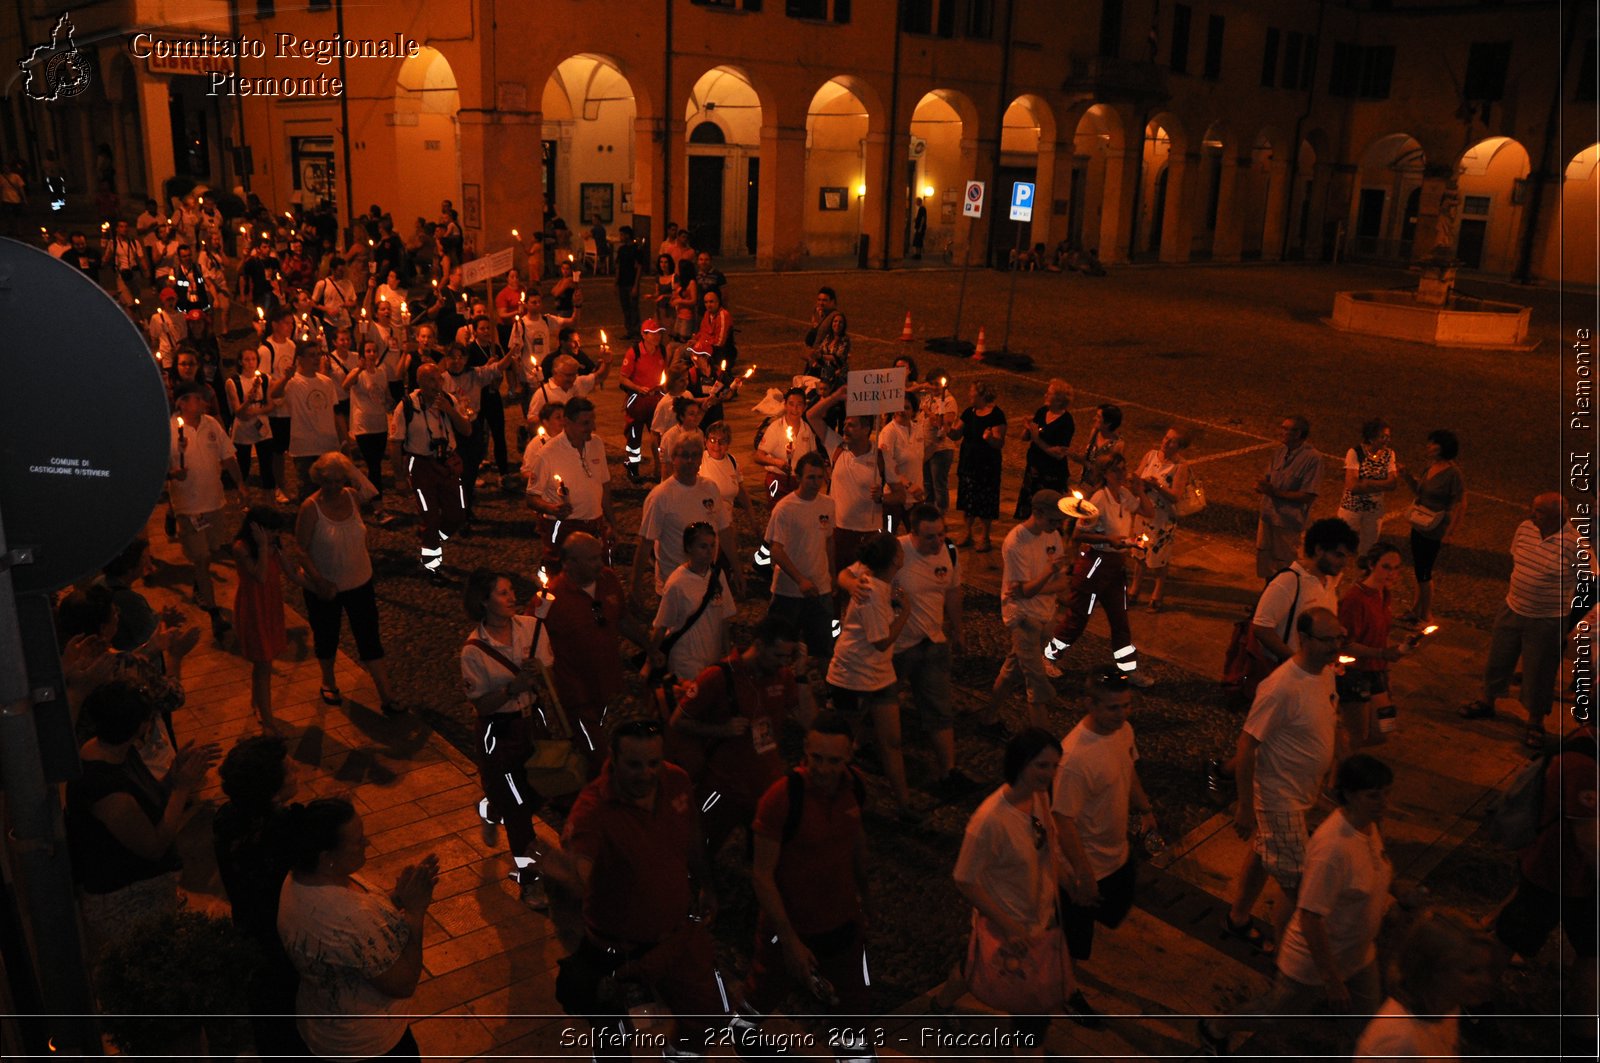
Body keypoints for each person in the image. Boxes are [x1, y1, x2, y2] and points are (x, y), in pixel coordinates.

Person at [541, 719, 727, 1061]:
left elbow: (693, 839)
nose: (646, 774)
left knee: (705, 1018)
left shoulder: (677, 781)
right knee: (613, 1038)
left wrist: (708, 887)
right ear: (613, 757)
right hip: (621, 951)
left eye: (653, 763)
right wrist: (571, 874)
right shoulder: (592, 810)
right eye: (634, 764)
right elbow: (582, 860)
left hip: (677, 936)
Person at [1201, 754, 1398, 1054]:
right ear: (1349, 795)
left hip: (1358, 956)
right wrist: (1331, 980)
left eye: (1387, 793)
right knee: (1276, 1015)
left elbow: (1372, 869)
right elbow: (1309, 917)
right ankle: (1216, 1028)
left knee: (1368, 1029)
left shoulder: (1368, 826)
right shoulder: (1333, 849)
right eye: (1374, 796)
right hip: (1313, 965)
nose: (1384, 802)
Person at [733, 712, 873, 1052]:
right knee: (761, 994)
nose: (824, 769)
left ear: (849, 757)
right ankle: (742, 1035)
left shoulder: (855, 786)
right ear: (805, 752)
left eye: (834, 761)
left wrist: (867, 898)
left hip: (841, 921)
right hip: (789, 926)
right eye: (817, 759)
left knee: (856, 1002)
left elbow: (856, 840)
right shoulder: (781, 799)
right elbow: (762, 875)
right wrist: (791, 941)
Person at [1221, 606, 1344, 954]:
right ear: (1304, 639)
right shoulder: (1280, 687)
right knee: (1302, 890)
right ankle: (1286, 957)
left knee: (1263, 854)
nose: (1335, 646)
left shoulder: (1325, 673)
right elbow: (1247, 744)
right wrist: (1246, 806)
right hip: (1280, 800)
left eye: (1339, 637)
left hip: (1302, 794)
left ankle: (1238, 918)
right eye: (1327, 639)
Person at [278, 798, 439, 1061]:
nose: (367, 843)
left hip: (322, 1024)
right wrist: (416, 911)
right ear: (327, 857)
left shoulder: (301, 877)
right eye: (358, 840)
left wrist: (397, 899)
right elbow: (403, 982)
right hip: (366, 1044)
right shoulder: (345, 917)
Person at [66, 681, 218, 956]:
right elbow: (154, 845)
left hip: (140, 886)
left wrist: (173, 774)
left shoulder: (112, 750)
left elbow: (146, 798)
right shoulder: (108, 793)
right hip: (124, 900)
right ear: (139, 727)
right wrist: (182, 788)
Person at [942, 728, 1065, 1056]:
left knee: (972, 968)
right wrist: (1009, 927)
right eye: (1041, 766)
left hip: (1037, 920)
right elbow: (964, 878)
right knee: (1032, 1016)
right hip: (1011, 928)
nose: (1049, 774)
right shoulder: (989, 821)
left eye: (1055, 766)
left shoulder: (1039, 797)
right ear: (1020, 764)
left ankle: (940, 1005)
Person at [1051, 668, 1158, 1024]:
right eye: (1113, 708)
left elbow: (1128, 770)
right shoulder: (1074, 759)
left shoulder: (1122, 730)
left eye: (1127, 706)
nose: (1122, 714)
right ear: (1088, 704)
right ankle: (1067, 992)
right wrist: (1081, 874)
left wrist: (1145, 809)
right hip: (1088, 865)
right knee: (1074, 941)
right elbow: (1062, 821)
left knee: (1110, 913)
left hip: (1117, 856)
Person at [1489, 724, 1597, 1044]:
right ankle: (1475, 1001)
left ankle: (1584, 1030)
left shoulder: (1585, 742)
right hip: (1557, 874)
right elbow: (1588, 839)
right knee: (1510, 936)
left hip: (1571, 874)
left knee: (1592, 951)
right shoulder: (1583, 765)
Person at [1461, 492, 1596, 748]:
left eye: (1538, 512)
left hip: (1547, 619)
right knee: (1498, 659)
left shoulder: (1575, 545)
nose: (1531, 515)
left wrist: (1572, 620)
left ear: (1558, 516)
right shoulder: (1525, 529)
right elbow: (1517, 560)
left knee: (1539, 671)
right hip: (1513, 607)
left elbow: (1590, 581)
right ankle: (1487, 701)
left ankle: (1535, 722)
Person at [670, 616, 813, 851]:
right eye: (778, 655)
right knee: (701, 845)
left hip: (766, 784)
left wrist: (801, 674)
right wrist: (721, 730)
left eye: (788, 656)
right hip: (721, 785)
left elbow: (809, 721)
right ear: (759, 644)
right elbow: (678, 721)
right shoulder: (718, 676)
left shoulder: (784, 675)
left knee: (766, 849)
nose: (783, 663)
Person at [460, 569, 555, 907]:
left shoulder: (531, 629)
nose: (512, 596)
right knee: (519, 811)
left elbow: (547, 673)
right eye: (502, 593)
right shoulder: (473, 651)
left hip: (533, 725)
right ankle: (530, 880)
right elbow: (482, 704)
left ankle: (490, 806)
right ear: (484, 602)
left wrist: (538, 674)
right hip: (500, 734)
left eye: (512, 590)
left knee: (535, 795)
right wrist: (510, 689)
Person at [212, 735, 306, 1058]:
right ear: (271, 789)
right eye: (288, 769)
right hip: (284, 944)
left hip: (252, 937)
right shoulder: (286, 832)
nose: (296, 768)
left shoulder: (228, 819)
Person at [296, 453, 399, 715]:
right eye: (328, 481)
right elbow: (301, 550)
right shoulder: (311, 508)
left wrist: (352, 470)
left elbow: (371, 491)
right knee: (326, 635)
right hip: (327, 587)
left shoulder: (353, 496)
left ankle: (386, 695)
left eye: (339, 480)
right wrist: (319, 581)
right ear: (319, 479)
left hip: (360, 582)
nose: (333, 486)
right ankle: (328, 680)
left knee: (369, 638)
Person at [827, 531, 920, 820]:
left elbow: (846, 574)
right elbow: (881, 640)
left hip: (880, 675)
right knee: (838, 745)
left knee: (892, 741)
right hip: (852, 676)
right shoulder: (872, 593)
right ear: (894, 559)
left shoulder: (871, 579)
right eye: (900, 551)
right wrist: (905, 612)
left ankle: (904, 804)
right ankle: (829, 800)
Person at [1044, 453, 1156, 687]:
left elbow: (1149, 512)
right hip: (1095, 565)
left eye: (1124, 469)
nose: (1122, 474)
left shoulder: (1124, 494)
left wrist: (1140, 490)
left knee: (1120, 620)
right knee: (1077, 618)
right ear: (1105, 474)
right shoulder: (1099, 500)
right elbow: (1077, 534)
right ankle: (1048, 656)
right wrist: (1108, 538)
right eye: (1116, 470)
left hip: (1115, 567)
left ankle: (1129, 669)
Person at [883, 504, 970, 798]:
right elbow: (854, 576)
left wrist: (958, 631)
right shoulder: (894, 551)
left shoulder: (951, 551)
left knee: (939, 708)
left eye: (941, 534)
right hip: (896, 648)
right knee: (879, 703)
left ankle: (949, 770)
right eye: (930, 537)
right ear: (912, 533)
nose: (938, 542)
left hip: (932, 643)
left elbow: (952, 591)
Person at [542, 532, 648, 756]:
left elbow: (621, 618)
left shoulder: (607, 580)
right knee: (595, 753)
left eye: (599, 557)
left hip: (610, 688)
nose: (600, 563)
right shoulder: (550, 599)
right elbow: (530, 639)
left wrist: (649, 646)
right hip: (578, 696)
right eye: (592, 559)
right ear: (569, 563)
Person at [984, 489, 1070, 734]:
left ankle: (988, 717)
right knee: (1036, 684)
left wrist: (1037, 587)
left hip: (1044, 615)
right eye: (1053, 520)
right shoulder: (1015, 542)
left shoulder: (1052, 535)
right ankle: (1043, 743)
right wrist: (1046, 577)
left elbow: (1059, 584)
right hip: (1023, 619)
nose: (1057, 526)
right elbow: (1025, 592)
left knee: (1012, 669)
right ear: (1038, 513)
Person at [233, 506, 325, 732]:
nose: (276, 535)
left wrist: (319, 589)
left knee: (263, 663)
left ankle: (258, 706)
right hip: (254, 610)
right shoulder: (241, 548)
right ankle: (268, 720)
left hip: (270, 608)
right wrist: (264, 548)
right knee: (263, 664)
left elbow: (292, 574)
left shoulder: (273, 547)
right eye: (272, 531)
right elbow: (261, 576)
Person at [1354, 911, 1488, 1062]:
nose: (1485, 980)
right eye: (1470, 971)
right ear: (1434, 970)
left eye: (1485, 969)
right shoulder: (1398, 1044)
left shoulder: (1446, 1007)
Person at [168, 382, 245, 639]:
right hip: (188, 507)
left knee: (211, 550)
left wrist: (241, 485)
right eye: (198, 400)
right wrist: (172, 474)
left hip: (214, 503)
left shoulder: (212, 425)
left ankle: (199, 584)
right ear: (181, 402)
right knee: (201, 558)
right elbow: (156, 468)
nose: (204, 403)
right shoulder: (167, 430)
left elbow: (227, 457)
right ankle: (214, 614)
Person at [390, 362, 472, 579]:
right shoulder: (406, 406)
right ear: (420, 382)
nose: (437, 385)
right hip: (421, 466)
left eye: (439, 379)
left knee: (457, 515)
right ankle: (432, 566)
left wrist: (450, 410)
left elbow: (467, 429)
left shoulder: (449, 400)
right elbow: (395, 443)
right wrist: (399, 477)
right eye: (431, 380)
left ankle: (432, 536)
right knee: (430, 517)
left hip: (448, 464)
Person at [634, 435, 738, 604]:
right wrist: (635, 586)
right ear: (674, 458)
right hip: (673, 585)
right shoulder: (661, 496)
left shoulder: (710, 488)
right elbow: (646, 542)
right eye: (684, 455)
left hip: (706, 581)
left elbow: (724, 530)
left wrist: (736, 568)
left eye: (695, 455)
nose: (690, 460)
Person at [525, 397, 616, 571]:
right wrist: (552, 509)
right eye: (585, 423)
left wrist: (611, 523)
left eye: (593, 421)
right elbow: (531, 497)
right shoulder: (547, 454)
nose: (592, 427)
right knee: (564, 580)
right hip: (566, 529)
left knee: (600, 574)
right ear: (567, 423)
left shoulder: (596, 444)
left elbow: (604, 486)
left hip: (595, 526)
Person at [764, 451, 837, 664]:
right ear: (799, 477)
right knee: (782, 647)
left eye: (819, 477)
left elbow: (829, 541)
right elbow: (776, 549)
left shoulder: (828, 504)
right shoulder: (785, 508)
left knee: (823, 647)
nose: (816, 483)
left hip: (820, 589)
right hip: (789, 593)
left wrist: (832, 576)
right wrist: (800, 580)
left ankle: (824, 691)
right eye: (810, 477)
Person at [1337, 543, 1409, 754]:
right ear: (1371, 565)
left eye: (1397, 568)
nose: (1393, 574)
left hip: (1376, 671)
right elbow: (1345, 644)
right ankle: (1337, 777)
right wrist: (1382, 654)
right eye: (1386, 567)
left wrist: (1386, 672)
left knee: (1383, 730)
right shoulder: (1355, 599)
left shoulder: (1383, 594)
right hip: (1354, 674)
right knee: (1357, 734)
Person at [648, 522, 738, 685]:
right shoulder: (677, 583)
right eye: (703, 546)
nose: (709, 551)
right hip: (686, 661)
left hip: (713, 658)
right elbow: (662, 624)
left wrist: (726, 652)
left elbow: (725, 617)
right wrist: (652, 655)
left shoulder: (718, 575)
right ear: (688, 548)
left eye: (712, 545)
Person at [1397, 428, 1466, 627]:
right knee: (1420, 570)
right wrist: (1407, 476)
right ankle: (1416, 610)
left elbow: (1461, 504)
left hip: (1434, 529)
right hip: (1420, 525)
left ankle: (1425, 615)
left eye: (1433, 443)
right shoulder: (1431, 467)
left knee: (1424, 572)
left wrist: (1450, 533)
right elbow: (1419, 492)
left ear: (1443, 448)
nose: (1428, 446)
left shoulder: (1453, 474)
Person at [271, 344, 346, 500]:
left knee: (331, 491)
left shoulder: (327, 382)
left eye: (318, 354)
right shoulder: (293, 382)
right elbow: (274, 394)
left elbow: (333, 412)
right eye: (311, 355)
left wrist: (342, 439)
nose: (316, 358)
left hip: (327, 445)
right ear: (300, 359)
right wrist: (286, 378)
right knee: (308, 492)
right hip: (304, 448)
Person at [1128, 428, 1191, 611]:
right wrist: (1137, 482)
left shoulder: (1180, 466)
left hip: (1162, 518)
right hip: (1144, 513)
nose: (1165, 442)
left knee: (1159, 556)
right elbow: (1137, 476)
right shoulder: (1150, 456)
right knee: (1139, 552)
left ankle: (1157, 592)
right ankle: (1135, 588)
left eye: (1172, 441)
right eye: (1166, 437)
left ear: (1179, 446)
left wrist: (1158, 486)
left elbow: (1175, 495)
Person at [1256, 414, 1325, 579]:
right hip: (1268, 516)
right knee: (1265, 559)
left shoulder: (1313, 459)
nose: (1283, 432)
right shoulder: (1280, 451)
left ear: (1299, 434)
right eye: (1283, 428)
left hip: (1288, 522)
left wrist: (1276, 493)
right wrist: (1262, 485)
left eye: (1288, 430)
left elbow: (1308, 495)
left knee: (1286, 564)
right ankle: (1268, 598)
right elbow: (1269, 476)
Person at [949, 381, 1007, 552]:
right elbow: (956, 434)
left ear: (981, 395)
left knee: (985, 500)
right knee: (968, 498)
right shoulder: (969, 412)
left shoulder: (997, 416)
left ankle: (985, 536)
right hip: (969, 463)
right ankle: (966, 531)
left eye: (972, 392)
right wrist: (947, 428)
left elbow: (999, 443)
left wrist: (989, 438)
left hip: (987, 465)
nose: (969, 395)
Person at [345, 338, 403, 507]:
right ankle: (378, 502)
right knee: (373, 463)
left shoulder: (382, 372)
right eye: (368, 351)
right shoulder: (358, 373)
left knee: (375, 464)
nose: (372, 354)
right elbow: (345, 385)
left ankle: (366, 495)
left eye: (374, 351)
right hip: (364, 426)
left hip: (380, 424)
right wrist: (359, 369)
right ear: (362, 355)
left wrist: (391, 403)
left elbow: (385, 395)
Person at [1014, 379, 1077, 519]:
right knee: (1030, 509)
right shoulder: (1042, 412)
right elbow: (1025, 437)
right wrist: (1027, 428)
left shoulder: (1066, 422)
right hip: (1034, 470)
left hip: (1051, 474)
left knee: (1047, 512)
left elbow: (1059, 454)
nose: (1045, 396)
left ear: (1059, 400)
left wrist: (1037, 439)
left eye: (1049, 394)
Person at [1336, 418, 1399, 554]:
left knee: (1369, 549)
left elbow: (1393, 484)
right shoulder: (1355, 452)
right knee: (1340, 545)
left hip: (1374, 510)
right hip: (1352, 508)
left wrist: (1368, 482)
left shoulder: (1389, 454)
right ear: (1371, 438)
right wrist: (1382, 485)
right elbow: (1353, 486)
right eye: (1383, 437)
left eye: (1388, 436)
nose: (1387, 440)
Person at [617, 319, 669, 481]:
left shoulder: (662, 351)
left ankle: (659, 468)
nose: (657, 336)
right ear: (643, 335)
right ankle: (632, 467)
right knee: (634, 435)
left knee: (658, 435)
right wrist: (638, 388)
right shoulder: (634, 353)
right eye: (652, 333)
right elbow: (623, 378)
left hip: (656, 400)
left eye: (658, 333)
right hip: (638, 401)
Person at [752, 387, 820, 504]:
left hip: (799, 482)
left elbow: (813, 455)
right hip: (777, 481)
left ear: (804, 407)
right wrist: (777, 463)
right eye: (791, 404)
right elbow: (758, 456)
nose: (795, 409)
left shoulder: (807, 429)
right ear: (785, 405)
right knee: (779, 514)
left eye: (799, 405)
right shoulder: (775, 428)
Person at [226, 346, 277, 495]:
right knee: (243, 464)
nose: (251, 363)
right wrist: (248, 400)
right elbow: (238, 412)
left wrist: (256, 411)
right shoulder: (233, 382)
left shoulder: (265, 379)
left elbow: (270, 405)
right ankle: (243, 494)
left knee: (267, 464)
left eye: (253, 359)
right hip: (242, 428)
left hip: (262, 425)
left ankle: (269, 496)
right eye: (247, 360)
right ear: (240, 362)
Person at [918, 374, 959, 513]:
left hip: (940, 449)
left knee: (939, 486)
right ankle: (929, 514)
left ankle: (941, 516)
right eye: (932, 384)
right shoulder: (928, 398)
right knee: (927, 484)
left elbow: (943, 425)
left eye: (937, 384)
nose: (934, 387)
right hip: (927, 448)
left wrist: (928, 412)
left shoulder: (949, 401)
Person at [1076, 403, 1124, 493]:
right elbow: (1087, 455)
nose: (1094, 419)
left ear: (1108, 423)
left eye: (1098, 417)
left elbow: (1108, 471)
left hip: (1099, 489)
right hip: (1085, 482)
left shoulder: (1117, 445)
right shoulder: (1095, 432)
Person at [613, 225, 645, 338]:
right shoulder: (622, 249)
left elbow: (639, 267)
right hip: (622, 282)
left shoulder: (636, 249)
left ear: (627, 235)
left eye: (622, 234)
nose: (620, 237)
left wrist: (636, 285)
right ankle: (629, 331)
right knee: (625, 308)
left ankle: (637, 331)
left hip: (631, 282)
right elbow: (618, 266)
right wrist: (616, 283)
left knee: (633, 308)